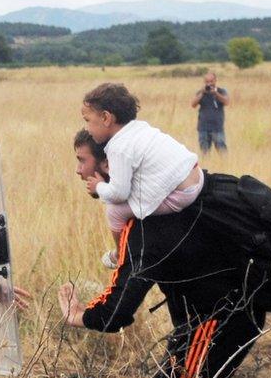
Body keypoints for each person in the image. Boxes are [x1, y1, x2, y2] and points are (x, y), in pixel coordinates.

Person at [61, 129, 271, 378]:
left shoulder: (147, 224)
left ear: (109, 166)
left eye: (83, 162)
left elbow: (119, 310)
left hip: (216, 321)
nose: (78, 172)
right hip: (224, 316)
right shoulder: (164, 201)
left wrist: (79, 315)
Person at [81, 83, 203, 269]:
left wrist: (98, 186)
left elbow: (119, 193)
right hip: (196, 176)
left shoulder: (119, 147)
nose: (87, 129)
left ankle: (121, 254)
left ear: (106, 117)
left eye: (87, 120)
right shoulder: (140, 128)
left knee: (114, 210)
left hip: (181, 195)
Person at [190, 72, 230, 154]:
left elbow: (226, 102)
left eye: (211, 81)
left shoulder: (221, 91)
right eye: (207, 82)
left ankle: (225, 165)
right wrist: (202, 93)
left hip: (217, 126)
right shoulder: (200, 92)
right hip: (203, 127)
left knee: (222, 149)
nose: (209, 84)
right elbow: (193, 104)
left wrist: (216, 94)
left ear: (215, 80)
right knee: (204, 151)